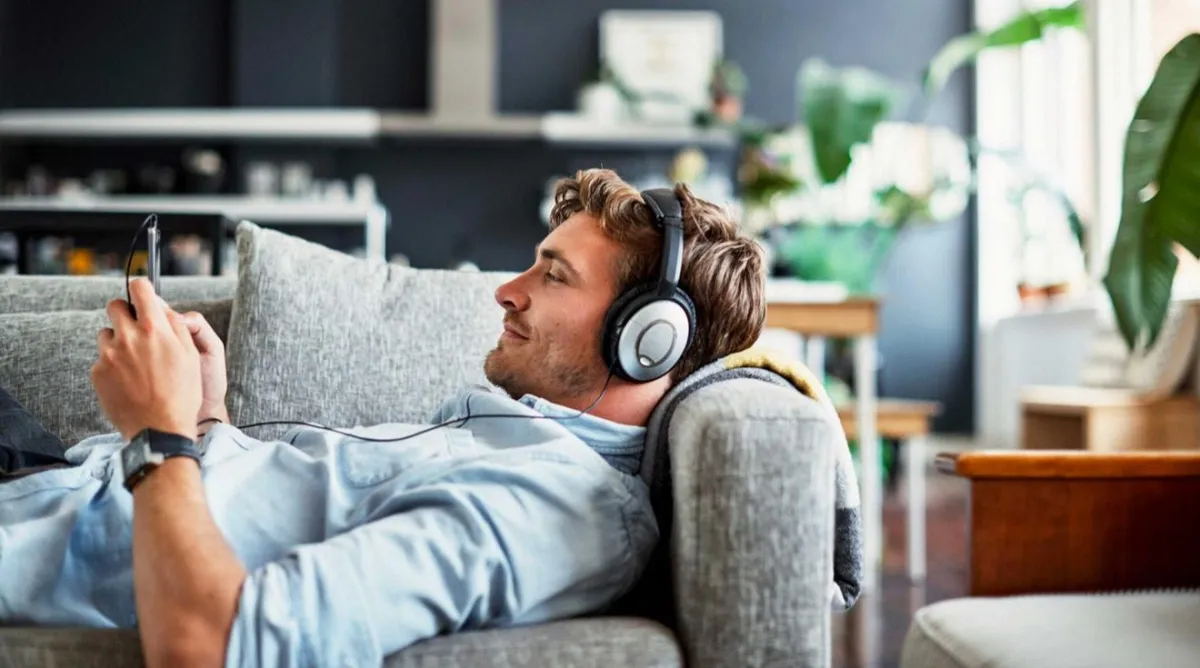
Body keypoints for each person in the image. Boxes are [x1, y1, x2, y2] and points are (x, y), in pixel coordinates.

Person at [0, 168, 766, 667]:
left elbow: (217, 644)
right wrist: (206, 421)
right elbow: (267, 511)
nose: (507, 289)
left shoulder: (550, 507)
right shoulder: (518, 441)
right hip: (56, 480)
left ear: (646, 340)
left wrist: (156, 437)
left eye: (553, 275)